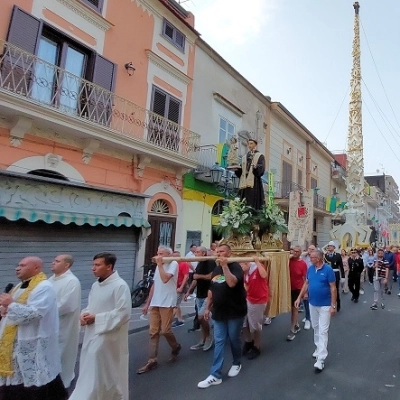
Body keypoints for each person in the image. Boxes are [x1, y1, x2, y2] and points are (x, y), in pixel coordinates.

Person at [0, 256, 67, 400]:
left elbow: (35, 313)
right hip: (15, 341)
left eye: (23, 265)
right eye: (18, 265)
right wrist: (4, 308)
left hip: (33, 340)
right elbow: (13, 309)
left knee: (36, 378)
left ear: (36, 268)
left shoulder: (44, 287)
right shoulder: (19, 286)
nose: (17, 268)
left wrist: (11, 304)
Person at [69, 252, 131, 400]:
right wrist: (84, 315)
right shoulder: (96, 285)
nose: (93, 268)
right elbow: (92, 306)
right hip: (93, 333)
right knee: (90, 371)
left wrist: (97, 318)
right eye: (93, 264)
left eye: (97, 265)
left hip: (109, 337)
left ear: (109, 266)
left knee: (103, 373)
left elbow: (123, 313)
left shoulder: (120, 285)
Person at [198, 244, 247, 389]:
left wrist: (225, 266)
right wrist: (207, 307)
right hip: (218, 312)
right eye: (217, 251)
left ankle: (237, 362)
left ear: (229, 253)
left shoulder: (236, 267)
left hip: (235, 312)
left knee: (233, 338)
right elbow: (212, 289)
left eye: (222, 251)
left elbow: (232, 283)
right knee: (219, 341)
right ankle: (215, 374)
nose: (219, 254)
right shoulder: (216, 268)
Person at [137, 246, 181, 374]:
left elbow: (165, 278)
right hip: (156, 301)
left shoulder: (173, 263)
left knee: (165, 330)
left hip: (167, 301)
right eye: (157, 253)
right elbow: (155, 285)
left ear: (168, 254)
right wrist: (147, 303)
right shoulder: (158, 265)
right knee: (153, 332)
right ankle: (152, 360)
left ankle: (175, 347)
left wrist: (160, 265)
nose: (158, 255)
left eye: (161, 253)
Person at [295, 250, 337, 372]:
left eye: (311, 257)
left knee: (323, 330)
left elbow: (333, 288)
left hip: (325, 305)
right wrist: (299, 297)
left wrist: (333, 306)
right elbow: (306, 283)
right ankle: (318, 348)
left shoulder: (328, 270)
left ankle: (321, 359)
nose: (310, 258)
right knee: (316, 327)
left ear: (318, 258)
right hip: (313, 303)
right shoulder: (310, 269)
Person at [48, 254, 81, 389]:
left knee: (62, 354)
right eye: (53, 260)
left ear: (66, 265)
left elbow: (67, 305)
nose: (52, 263)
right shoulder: (50, 280)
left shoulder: (72, 281)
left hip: (63, 326)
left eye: (57, 261)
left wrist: (43, 312)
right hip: (48, 325)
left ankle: (61, 382)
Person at [185, 246, 216, 351]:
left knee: (201, 317)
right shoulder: (199, 264)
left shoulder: (210, 262)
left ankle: (208, 337)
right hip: (199, 295)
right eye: (195, 252)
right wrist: (189, 291)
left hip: (208, 294)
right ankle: (202, 340)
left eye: (197, 252)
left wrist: (199, 277)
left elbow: (212, 276)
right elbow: (195, 279)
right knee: (201, 319)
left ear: (203, 253)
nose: (195, 254)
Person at [241, 257, 268, 359]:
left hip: (259, 300)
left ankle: (257, 346)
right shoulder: (245, 273)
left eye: (241, 265)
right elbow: (246, 285)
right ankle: (248, 341)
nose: (240, 267)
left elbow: (264, 275)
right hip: (249, 299)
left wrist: (257, 261)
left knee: (255, 325)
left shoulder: (257, 268)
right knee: (244, 322)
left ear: (247, 263)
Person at [235, 138, 266, 211]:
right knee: (243, 200)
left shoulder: (260, 156)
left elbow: (261, 169)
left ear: (255, 145)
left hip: (254, 183)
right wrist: (237, 169)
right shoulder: (244, 157)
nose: (249, 145)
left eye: (251, 143)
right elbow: (241, 172)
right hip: (244, 183)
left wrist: (255, 168)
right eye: (249, 144)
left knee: (253, 201)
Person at [287, 246, 308, 340]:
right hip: (289, 288)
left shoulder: (303, 264)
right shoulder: (289, 261)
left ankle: (292, 330)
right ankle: (297, 324)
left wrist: (305, 292)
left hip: (298, 289)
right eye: (294, 251)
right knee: (292, 309)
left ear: (300, 253)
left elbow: (305, 279)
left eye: (297, 251)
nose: (295, 253)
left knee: (294, 309)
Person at [323, 241, 344, 312]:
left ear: (334, 247)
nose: (329, 247)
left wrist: (343, 276)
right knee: (328, 290)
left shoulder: (337, 255)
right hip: (327, 274)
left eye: (331, 246)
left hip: (335, 273)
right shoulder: (325, 255)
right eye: (329, 246)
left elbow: (341, 266)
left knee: (335, 290)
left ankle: (337, 303)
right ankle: (329, 304)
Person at [171, 251, 189, 328]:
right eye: (173, 257)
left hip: (180, 286)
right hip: (174, 286)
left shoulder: (183, 264)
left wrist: (181, 287)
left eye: (176, 256)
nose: (174, 258)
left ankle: (168, 321)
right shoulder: (173, 264)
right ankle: (180, 319)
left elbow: (186, 276)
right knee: (176, 304)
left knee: (174, 305)